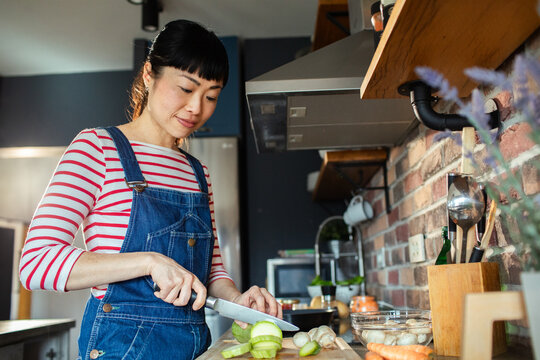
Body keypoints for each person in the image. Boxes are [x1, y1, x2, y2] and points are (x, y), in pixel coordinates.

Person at [19, 19, 281, 360]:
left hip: (192, 348)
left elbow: (212, 271)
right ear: (148, 74)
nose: (196, 108)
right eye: (186, 89)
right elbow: (36, 263)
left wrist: (238, 302)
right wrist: (149, 261)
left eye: (211, 96)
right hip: (120, 348)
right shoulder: (97, 147)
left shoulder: (197, 172)